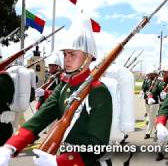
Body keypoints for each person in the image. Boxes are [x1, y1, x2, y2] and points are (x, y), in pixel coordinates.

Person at [0, 15, 113, 166]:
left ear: (88, 57)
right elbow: (39, 119)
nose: (66, 59)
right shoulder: (64, 86)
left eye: (72, 54)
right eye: (65, 54)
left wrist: (59, 162)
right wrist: (10, 146)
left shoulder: (98, 91)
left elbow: (97, 145)